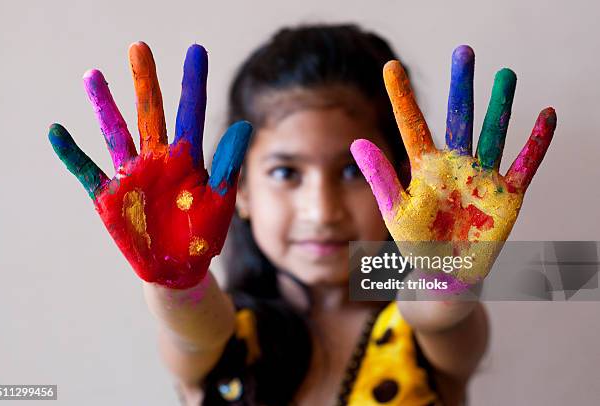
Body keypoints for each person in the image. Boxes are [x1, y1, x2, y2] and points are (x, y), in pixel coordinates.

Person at [48, 23, 556, 406]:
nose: (322, 209)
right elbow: (191, 327)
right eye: (286, 172)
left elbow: (438, 312)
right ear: (238, 189)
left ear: (404, 185)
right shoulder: (223, 335)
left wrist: (441, 268)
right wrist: (175, 278)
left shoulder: (424, 330)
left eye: (354, 173)